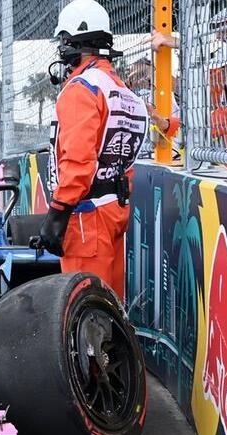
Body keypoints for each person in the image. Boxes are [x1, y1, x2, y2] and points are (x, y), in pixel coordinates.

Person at [37, 0, 149, 301]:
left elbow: (78, 161)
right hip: (114, 209)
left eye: (64, 42)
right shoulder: (119, 88)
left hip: (85, 217)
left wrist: (58, 214)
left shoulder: (80, 90)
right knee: (110, 305)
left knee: (82, 310)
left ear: (75, 43)